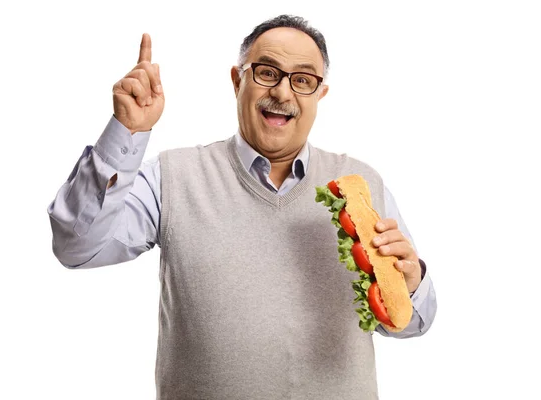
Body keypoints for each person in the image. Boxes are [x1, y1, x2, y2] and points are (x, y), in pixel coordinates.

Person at [48, 14, 436, 399]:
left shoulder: (361, 184)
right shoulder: (174, 176)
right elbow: (77, 247)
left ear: (320, 94)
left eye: (302, 80)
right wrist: (126, 132)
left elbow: (412, 324)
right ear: (238, 81)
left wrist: (411, 281)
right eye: (267, 72)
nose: (283, 94)